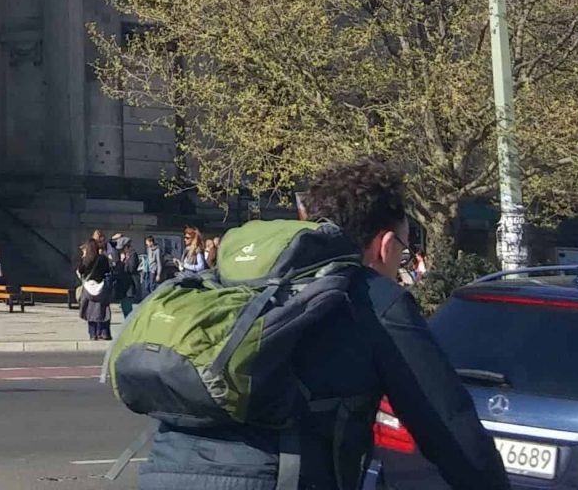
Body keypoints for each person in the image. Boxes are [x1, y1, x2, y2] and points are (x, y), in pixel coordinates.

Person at [130, 158, 510, 490]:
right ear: (386, 244)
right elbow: (449, 425)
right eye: (405, 250)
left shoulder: (239, 283)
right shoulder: (373, 299)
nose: (402, 261)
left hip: (162, 472)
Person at [77, 231, 115, 342]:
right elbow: (108, 271)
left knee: (90, 312)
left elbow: (80, 271)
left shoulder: (86, 260)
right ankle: (103, 333)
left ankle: (92, 334)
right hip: (101, 287)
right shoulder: (102, 259)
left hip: (88, 288)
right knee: (103, 311)